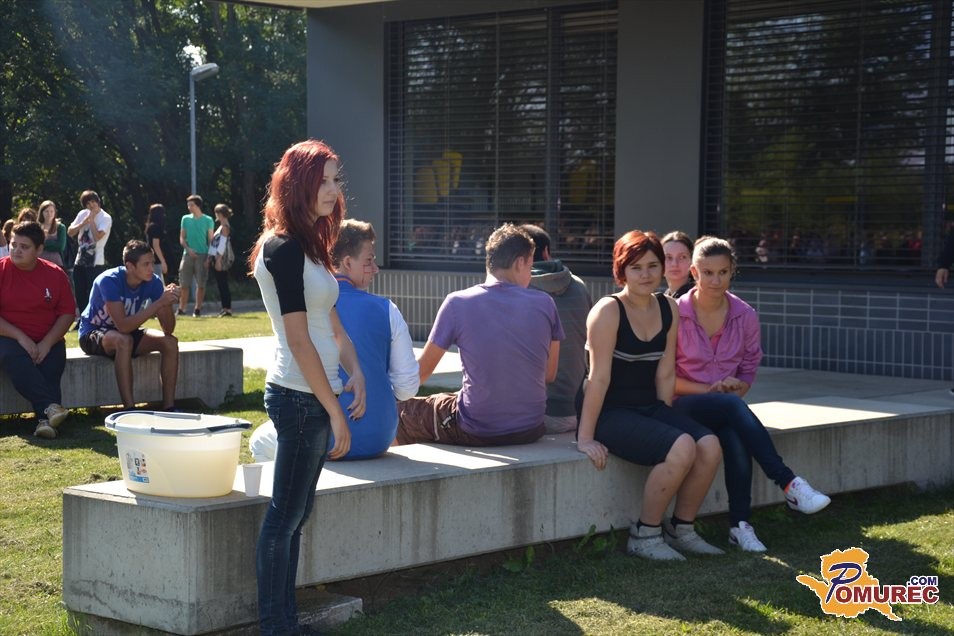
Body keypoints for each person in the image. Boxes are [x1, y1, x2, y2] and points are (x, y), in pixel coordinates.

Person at [250, 139, 366, 635]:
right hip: (298, 396)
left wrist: (355, 370)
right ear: (298, 183)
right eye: (324, 179)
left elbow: (330, 323)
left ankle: (286, 623)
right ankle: (276, 626)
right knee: (285, 518)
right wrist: (335, 411)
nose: (334, 189)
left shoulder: (309, 245)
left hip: (314, 393)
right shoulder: (281, 248)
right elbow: (298, 340)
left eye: (337, 179)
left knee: (296, 516)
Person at [672, 236, 830, 552]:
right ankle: (788, 482)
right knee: (730, 408)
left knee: (735, 438)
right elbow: (664, 377)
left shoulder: (745, 315)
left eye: (723, 272)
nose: (715, 280)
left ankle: (739, 526)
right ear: (694, 272)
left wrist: (736, 387)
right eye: (707, 273)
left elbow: (748, 367)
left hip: (725, 406)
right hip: (682, 404)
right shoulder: (675, 313)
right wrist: (714, 390)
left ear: (732, 271)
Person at [577, 230, 723, 561]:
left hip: (648, 405)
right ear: (621, 271)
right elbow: (597, 379)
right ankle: (645, 535)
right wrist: (585, 437)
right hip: (610, 411)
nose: (645, 274)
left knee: (709, 445)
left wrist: (665, 421)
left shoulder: (668, 307)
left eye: (653, 266)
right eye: (636, 267)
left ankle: (682, 530)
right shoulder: (608, 311)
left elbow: (666, 373)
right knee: (681, 446)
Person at [250, 219, 419, 462]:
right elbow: (407, 387)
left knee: (258, 440)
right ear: (347, 263)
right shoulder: (387, 309)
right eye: (369, 261)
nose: (376, 269)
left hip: (324, 435)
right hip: (379, 437)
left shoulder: (306, 304)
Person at [395, 223, 563, 447]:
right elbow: (549, 375)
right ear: (520, 262)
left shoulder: (457, 303)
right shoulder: (546, 303)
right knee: (451, 399)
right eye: (530, 268)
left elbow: (421, 374)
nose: (530, 276)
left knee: (400, 413)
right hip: (531, 427)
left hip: (478, 429)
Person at [78, 240, 180, 411]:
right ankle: (129, 409)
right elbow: (123, 327)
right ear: (130, 266)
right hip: (93, 333)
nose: (151, 268)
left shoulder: (153, 281)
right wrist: (158, 303)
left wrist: (167, 302)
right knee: (124, 340)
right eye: (146, 264)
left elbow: (168, 329)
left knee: (170, 342)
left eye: (152, 263)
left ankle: (169, 408)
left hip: (125, 333)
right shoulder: (109, 281)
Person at [0, 222, 76, 439]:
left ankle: (45, 421)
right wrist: (21, 337)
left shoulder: (55, 274)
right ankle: (49, 410)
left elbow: (67, 313)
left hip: (48, 338)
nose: (16, 250)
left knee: (50, 368)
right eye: (13, 244)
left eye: (24, 246)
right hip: (8, 337)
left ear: (39, 249)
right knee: (12, 357)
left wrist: (47, 343)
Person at [521, 223, 592, 434]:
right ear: (546, 252)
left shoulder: (518, 291)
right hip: (581, 409)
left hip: (538, 413)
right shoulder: (579, 285)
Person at [68, 190, 113, 318]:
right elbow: (70, 232)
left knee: (93, 293)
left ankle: (94, 318)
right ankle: (82, 319)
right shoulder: (82, 214)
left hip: (96, 262)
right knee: (80, 292)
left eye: (93, 202)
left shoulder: (106, 218)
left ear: (98, 201)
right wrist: (83, 223)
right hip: (80, 260)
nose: (91, 205)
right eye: (88, 203)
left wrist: (92, 220)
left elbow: (98, 237)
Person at [177, 194, 214, 317]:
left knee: (201, 284)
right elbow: (182, 238)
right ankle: (181, 309)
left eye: (191, 205)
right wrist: (188, 249)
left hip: (203, 255)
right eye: (188, 205)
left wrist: (209, 258)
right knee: (184, 284)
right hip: (187, 255)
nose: (189, 207)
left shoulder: (208, 220)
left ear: (198, 206)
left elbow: (211, 240)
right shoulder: (185, 219)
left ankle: (197, 309)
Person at [208, 203, 233, 317]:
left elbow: (222, 244)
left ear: (221, 214)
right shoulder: (221, 226)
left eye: (217, 212)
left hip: (221, 259)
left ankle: (227, 309)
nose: (216, 215)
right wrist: (210, 258)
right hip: (217, 257)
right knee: (221, 284)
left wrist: (218, 260)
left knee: (223, 284)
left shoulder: (225, 227)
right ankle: (224, 308)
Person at [662, 230, 694, 298]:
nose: (674, 264)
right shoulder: (662, 299)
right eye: (669, 257)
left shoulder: (699, 297)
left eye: (682, 257)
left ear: (692, 261)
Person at [38, 201, 67, 269]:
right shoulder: (37, 227)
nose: (49, 214)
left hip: (56, 264)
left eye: (51, 211)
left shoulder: (60, 227)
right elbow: (34, 244)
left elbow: (60, 246)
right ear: (42, 212)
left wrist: (43, 243)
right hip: (39, 263)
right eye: (46, 211)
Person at [144, 204, 170, 283]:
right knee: (158, 283)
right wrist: (163, 261)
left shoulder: (150, 226)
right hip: (156, 260)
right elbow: (156, 245)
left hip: (151, 258)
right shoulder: (155, 227)